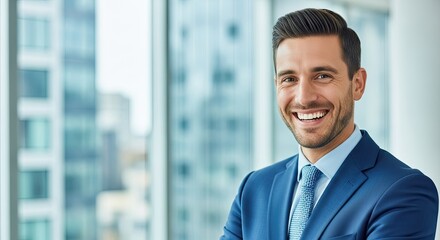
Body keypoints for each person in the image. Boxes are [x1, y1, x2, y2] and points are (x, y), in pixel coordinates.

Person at [220, 8, 438, 240]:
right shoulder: (253, 189)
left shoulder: (403, 191)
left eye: (322, 76)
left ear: (358, 84)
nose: (303, 98)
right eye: (289, 79)